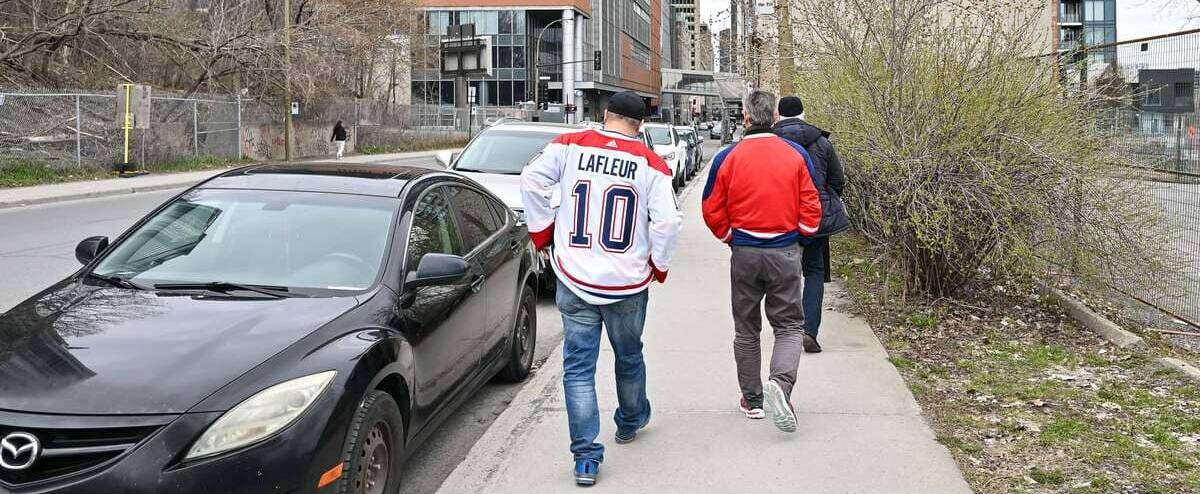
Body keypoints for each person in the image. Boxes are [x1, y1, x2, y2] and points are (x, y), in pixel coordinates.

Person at [520, 91, 683, 486]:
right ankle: (630, 420)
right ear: (640, 125)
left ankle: (586, 459)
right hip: (627, 281)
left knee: (578, 368)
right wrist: (658, 266)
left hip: (575, 276)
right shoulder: (652, 164)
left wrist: (543, 232)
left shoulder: (570, 146)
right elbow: (667, 223)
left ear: (605, 115)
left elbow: (531, 179)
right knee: (628, 355)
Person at [702, 90, 822, 433]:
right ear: (775, 116)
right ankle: (780, 387)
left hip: (745, 252)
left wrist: (730, 237)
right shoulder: (796, 154)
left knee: (746, 329)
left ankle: (753, 401)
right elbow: (811, 203)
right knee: (788, 326)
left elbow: (712, 206)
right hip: (784, 251)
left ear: (746, 116)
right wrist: (800, 237)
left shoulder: (728, 156)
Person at [772, 96, 850, 354]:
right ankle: (809, 331)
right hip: (815, 217)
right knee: (814, 271)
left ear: (778, 115)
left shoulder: (770, 142)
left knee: (782, 275)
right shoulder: (821, 142)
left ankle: (785, 331)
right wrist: (825, 201)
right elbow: (837, 180)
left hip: (781, 218)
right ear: (804, 113)